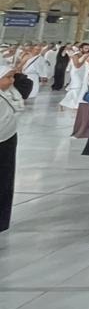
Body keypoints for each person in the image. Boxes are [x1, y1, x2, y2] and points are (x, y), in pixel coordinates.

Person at [0, 63, 25, 231]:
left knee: (5, 181)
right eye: (7, 77)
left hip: (7, 140)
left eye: (12, 77)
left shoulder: (8, 94)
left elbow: (19, 102)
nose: (12, 80)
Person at [60, 45, 89, 112]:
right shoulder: (76, 55)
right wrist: (84, 57)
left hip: (83, 73)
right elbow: (77, 65)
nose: (87, 50)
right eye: (86, 48)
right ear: (81, 49)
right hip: (76, 73)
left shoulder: (85, 55)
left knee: (77, 89)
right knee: (76, 88)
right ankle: (76, 105)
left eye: (88, 48)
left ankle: (64, 103)